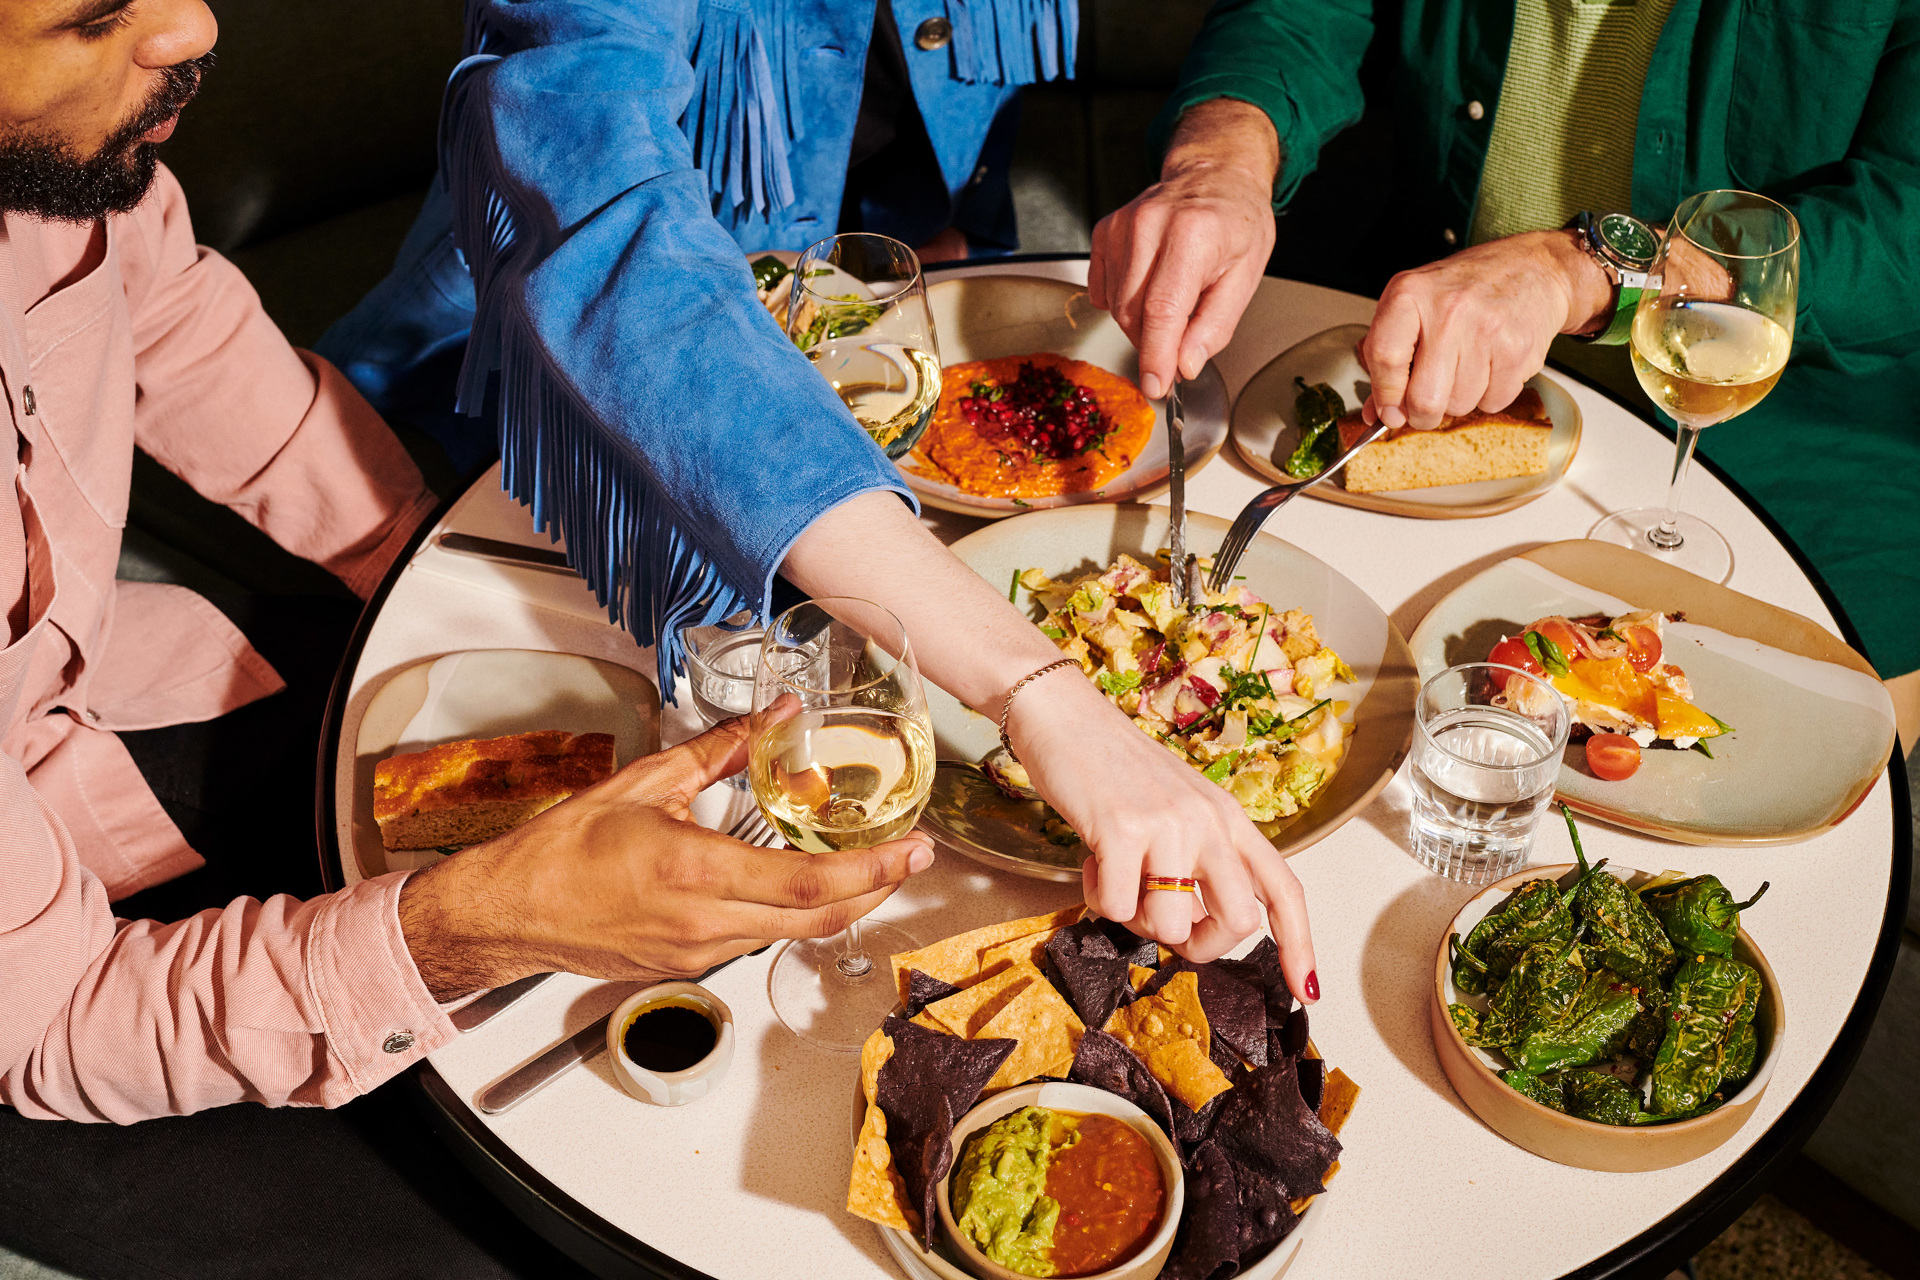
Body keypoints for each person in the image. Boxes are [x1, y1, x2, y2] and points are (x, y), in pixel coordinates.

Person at [0, 1, 934, 1274]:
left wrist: (439, 558)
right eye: (96, 18)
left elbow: (175, 328)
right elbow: (61, 1027)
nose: (192, 25)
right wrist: (471, 929)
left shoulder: (63, 168)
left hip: (109, 707)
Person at [319, 0, 1325, 973]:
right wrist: (1051, 698)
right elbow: (607, 209)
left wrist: (1219, 156)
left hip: (900, 329)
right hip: (550, 426)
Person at [1091, 0, 1920, 746]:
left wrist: (1586, 271)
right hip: (1420, 376)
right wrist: (1220, 163)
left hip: (1785, 466)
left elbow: (1907, 217)